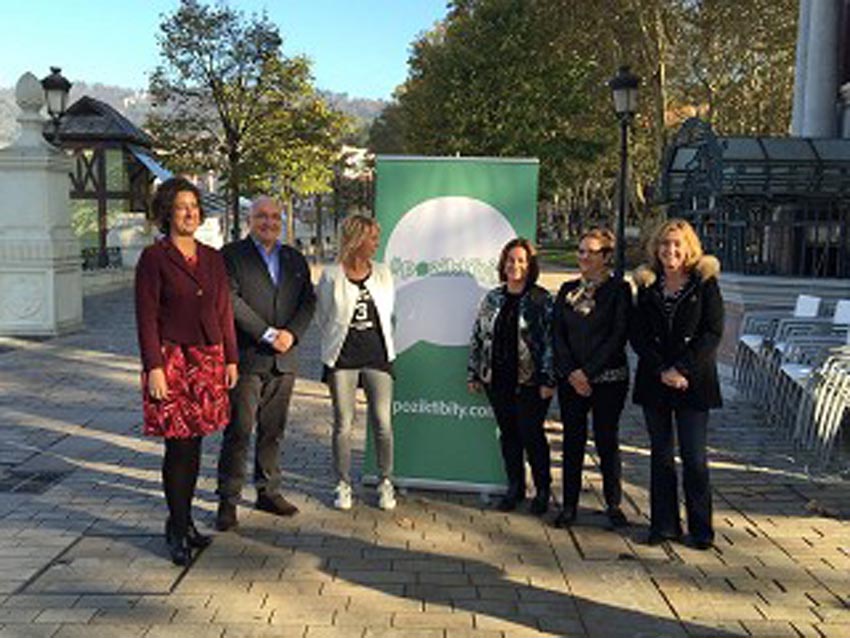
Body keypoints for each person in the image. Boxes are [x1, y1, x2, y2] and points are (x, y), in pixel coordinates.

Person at [135, 176, 239, 566]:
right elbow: (145, 318)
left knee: (195, 443)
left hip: (207, 358)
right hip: (173, 359)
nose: (190, 213)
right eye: (181, 206)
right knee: (177, 445)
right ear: (166, 212)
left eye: (194, 206)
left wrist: (231, 358)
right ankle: (177, 528)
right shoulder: (154, 258)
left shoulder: (212, 257)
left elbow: (224, 309)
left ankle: (185, 521)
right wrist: (154, 368)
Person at [215, 196, 316, 530]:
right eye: (261, 217)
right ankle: (227, 500)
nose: (269, 222)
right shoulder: (231, 256)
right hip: (246, 358)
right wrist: (268, 334)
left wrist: (293, 334)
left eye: (274, 217)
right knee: (239, 431)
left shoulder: (294, 258)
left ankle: (268, 491)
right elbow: (229, 301)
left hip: (284, 360)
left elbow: (307, 302)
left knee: (273, 431)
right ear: (249, 219)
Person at [631, 219, 723, 550]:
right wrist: (662, 370)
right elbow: (638, 335)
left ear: (689, 249)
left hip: (693, 382)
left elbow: (712, 333)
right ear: (656, 248)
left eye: (677, 245)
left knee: (695, 458)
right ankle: (664, 525)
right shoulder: (647, 286)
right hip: (656, 381)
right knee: (661, 456)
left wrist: (682, 369)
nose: (670, 250)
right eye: (665, 244)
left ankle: (701, 529)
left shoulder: (705, 284)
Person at [468, 238, 555, 514]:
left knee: (532, 435)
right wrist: (474, 371)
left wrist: (548, 378)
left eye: (521, 261)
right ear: (503, 265)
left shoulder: (541, 299)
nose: (514, 265)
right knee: (508, 435)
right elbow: (478, 336)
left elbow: (552, 342)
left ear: (530, 266)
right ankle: (514, 487)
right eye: (510, 260)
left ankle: (542, 490)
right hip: (498, 379)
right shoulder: (493, 297)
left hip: (531, 383)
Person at [316, 214, 397, 511]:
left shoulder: (384, 273)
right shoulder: (331, 275)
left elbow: (389, 313)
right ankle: (343, 483)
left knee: (383, 422)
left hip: (378, 356)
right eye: (372, 238)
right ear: (357, 239)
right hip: (343, 358)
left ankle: (385, 481)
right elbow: (323, 318)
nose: (376, 243)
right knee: (343, 424)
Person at [552, 228, 631, 529]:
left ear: (606, 257)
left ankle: (613, 503)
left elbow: (617, 335)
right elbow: (557, 334)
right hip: (571, 380)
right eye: (581, 251)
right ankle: (569, 505)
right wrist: (572, 371)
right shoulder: (567, 289)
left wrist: (590, 372)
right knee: (573, 440)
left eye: (591, 252)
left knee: (606, 439)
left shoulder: (619, 291)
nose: (584, 257)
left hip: (608, 379)